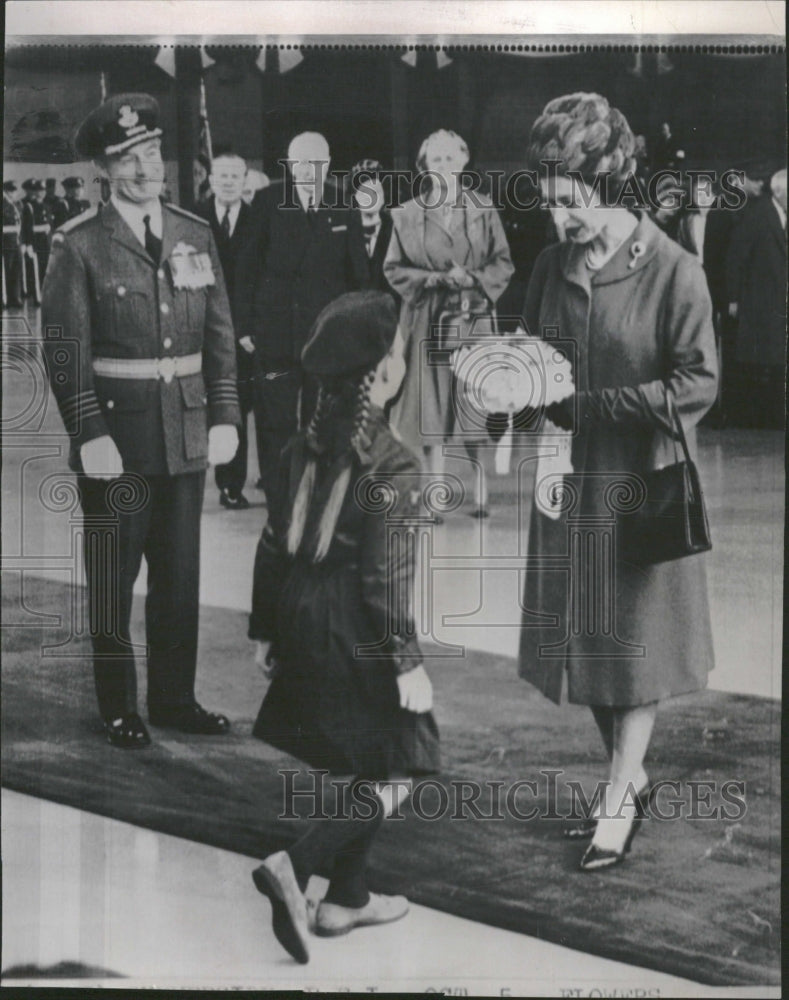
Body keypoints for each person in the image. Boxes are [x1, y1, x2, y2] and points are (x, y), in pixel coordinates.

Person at [520, 93, 718, 871]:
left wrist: (593, 406)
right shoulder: (548, 264)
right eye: (545, 194)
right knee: (590, 648)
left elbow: (697, 385)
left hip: (640, 484)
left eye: (568, 197)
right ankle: (626, 779)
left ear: (610, 181)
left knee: (630, 652)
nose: (555, 212)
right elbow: (535, 359)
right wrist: (505, 385)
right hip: (570, 482)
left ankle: (614, 802)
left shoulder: (674, 270)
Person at [41, 92, 241, 749]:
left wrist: (224, 411)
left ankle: (175, 700)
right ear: (105, 169)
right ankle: (117, 705)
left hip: (183, 435)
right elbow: (65, 350)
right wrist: (87, 430)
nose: (144, 167)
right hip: (117, 443)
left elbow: (217, 332)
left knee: (180, 581)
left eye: (151, 152)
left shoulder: (193, 231)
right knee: (113, 580)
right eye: (127, 158)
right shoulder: (80, 245)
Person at [248, 290, 439, 963]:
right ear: (384, 375)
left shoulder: (297, 445)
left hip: (301, 616)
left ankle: (345, 901)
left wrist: (264, 629)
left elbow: (272, 545)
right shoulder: (395, 463)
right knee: (403, 767)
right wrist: (407, 660)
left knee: (370, 759)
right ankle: (294, 866)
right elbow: (383, 580)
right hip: (356, 630)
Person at [384, 128, 513, 517]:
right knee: (430, 405)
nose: (444, 166)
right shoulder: (405, 214)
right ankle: (433, 496)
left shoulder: (484, 210)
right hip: (424, 318)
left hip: (472, 317)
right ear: (424, 166)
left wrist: (473, 278)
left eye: (450, 159)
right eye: (436, 159)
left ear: (463, 162)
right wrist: (433, 279)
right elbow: (392, 268)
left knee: (472, 402)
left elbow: (503, 262)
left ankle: (481, 493)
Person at [234, 131, 368, 505]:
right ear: (290, 167)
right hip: (274, 333)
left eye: (317, 163)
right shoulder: (268, 200)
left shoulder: (343, 202)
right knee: (274, 417)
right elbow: (246, 269)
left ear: (327, 165)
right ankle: (280, 491)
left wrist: (355, 332)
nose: (309, 171)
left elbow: (358, 273)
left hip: (326, 336)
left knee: (322, 416)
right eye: (301, 164)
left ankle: (318, 488)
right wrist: (243, 326)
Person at [198, 151, 258, 510]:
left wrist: (250, 328)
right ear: (210, 179)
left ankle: (230, 485)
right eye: (221, 175)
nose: (228, 181)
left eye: (235, 175)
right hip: (200, 328)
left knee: (234, 404)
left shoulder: (257, 219)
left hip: (241, 333)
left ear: (245, 179)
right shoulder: (192, 216)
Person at [725, 166, 786, 428]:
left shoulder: (779, 214)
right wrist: (733, 298)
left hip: (777, 300)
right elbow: (735, 258)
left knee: (774, 359)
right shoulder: (757, 215)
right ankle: (762, 418)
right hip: (761, 300)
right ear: (781, 192)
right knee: (763, 361)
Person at [348, 159, 394, 295]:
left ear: (384, 196)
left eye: (376, 192)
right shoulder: (344, 230)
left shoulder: (395, 229)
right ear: (355, 197)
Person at [20, 178, 51, 301]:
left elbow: (50, 225)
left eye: (43, 190)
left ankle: (45, 292)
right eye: (38, 190)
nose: (41, 193)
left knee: (45, 267)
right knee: (35, 269)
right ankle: (36, 294)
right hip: (35, 240)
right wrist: (28, 243)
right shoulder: (29, 207)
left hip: (45, 241)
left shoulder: (46, 206)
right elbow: (27, 226)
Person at [3, 180, 24, 308]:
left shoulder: (18, 204)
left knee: (17, 270)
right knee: (7, 270)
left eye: (15, 190)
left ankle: (15, 297)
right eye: (11, 191)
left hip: (16, 241)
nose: (14, 193)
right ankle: (5, 298)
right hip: (6, 242)